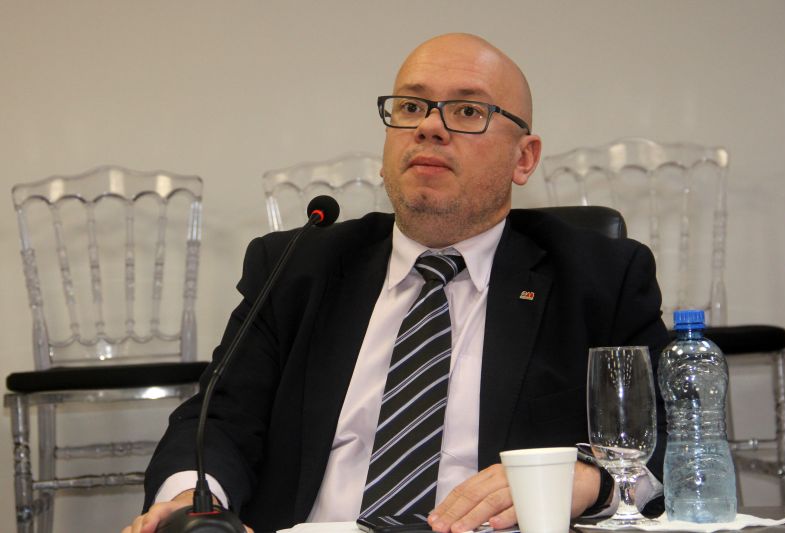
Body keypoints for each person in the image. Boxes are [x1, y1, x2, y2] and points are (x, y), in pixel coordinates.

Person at [123, 33, 668, 533]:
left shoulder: (599, 279)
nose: (429, 127)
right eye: (410, 107)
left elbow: (671, 441)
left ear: (523, 159)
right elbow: (218, 421)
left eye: (467, 111)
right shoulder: (295, 267)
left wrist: (592, 482)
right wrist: (193, 505)